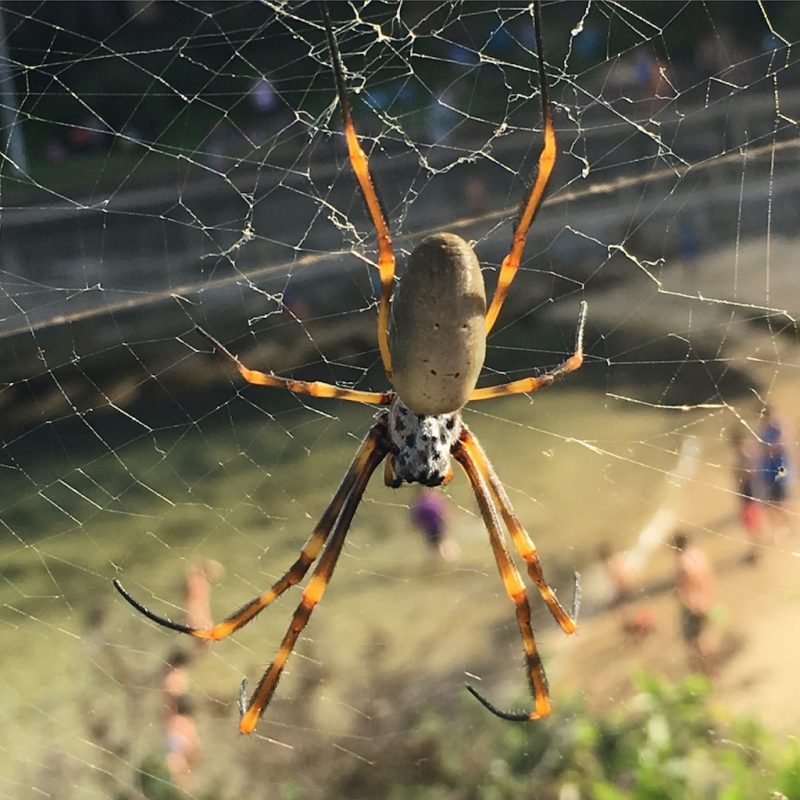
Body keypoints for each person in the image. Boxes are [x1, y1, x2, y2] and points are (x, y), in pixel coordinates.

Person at [672, 532, 715, 672]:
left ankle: (706, 671)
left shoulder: (682, 563)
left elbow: (684, 588)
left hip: (693, 605)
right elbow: (708, 575)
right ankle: (713, 668)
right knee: (705, 636)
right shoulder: (698, 555)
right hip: (706, 599)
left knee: (695, 642)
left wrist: (687, 602)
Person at [730, 428, 765, 563]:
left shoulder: (745, 455)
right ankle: (756, 549)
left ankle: (758, 551)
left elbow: (751, 474)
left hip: (749, 495)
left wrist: (739, 474)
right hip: (747, 494)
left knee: (753, 525)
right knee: (751, 525)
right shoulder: (745, 454)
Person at [758, 406, 793, 537]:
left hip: (781, 470)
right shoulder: (764, 431)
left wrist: (779, 422)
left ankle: (789, 524)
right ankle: (783, 526)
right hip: (769, 471)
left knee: (782, 501)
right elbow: (763, 449)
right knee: (772, 503)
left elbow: (782, 443)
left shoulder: (778, 428)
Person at [184, 559, 224, 650]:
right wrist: (201, 622)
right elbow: (195, 604)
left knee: (198, 648)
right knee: (199, 647)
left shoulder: (195, 582)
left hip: (194, 618)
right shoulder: (198, 582)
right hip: (196, 619)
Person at [409, 488, 459, 561]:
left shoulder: (429, 502)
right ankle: (446, 558)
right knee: (436, 546)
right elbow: (415, 520)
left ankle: (447, 558)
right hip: (430, 529)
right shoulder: (424, 504)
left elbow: (444, 511)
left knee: (441, 543)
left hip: (437, 526)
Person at [165, 695, 201, 793]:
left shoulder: (174, 721)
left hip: (176, 759)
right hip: (183, 760)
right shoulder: (190, 723)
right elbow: (196, 746)